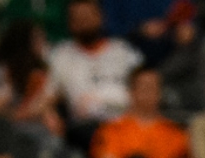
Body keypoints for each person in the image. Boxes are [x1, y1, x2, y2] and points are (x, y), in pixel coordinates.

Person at [90, 64, 190, 158]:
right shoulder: (112, 130)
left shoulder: (176, 133)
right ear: (131, 92)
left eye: (153, 87)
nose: (148, 93)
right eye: (143, 87)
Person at [46, 0, 142, 139]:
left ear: (101, 17)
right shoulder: (61, 56)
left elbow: (144, 87)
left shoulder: (122, 51)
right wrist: (49, 114)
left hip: (126, 125)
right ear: (69, 23)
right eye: (78, 18)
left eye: (87, 16)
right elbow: (48, 97)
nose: (84, 22)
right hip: (84, 130)